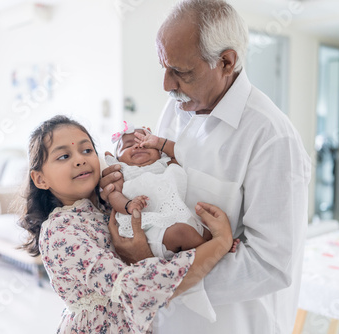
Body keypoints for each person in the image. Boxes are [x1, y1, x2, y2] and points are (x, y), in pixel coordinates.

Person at [100, 0, 312, 333]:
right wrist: (120, 181)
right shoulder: (175, 110)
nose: (166, 85)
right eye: (164, 67)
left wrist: (159, 276)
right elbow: (160, 190)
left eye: (181, 72)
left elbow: (271, 264)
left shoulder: (271, 137)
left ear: (226, 62)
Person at [18, 115, 235, 333]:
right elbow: (137, 288)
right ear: (40, 179)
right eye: (64, 156)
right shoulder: (60, 231)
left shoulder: (105, 207)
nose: (80, 160)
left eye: (86, 151)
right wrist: (219, 244)